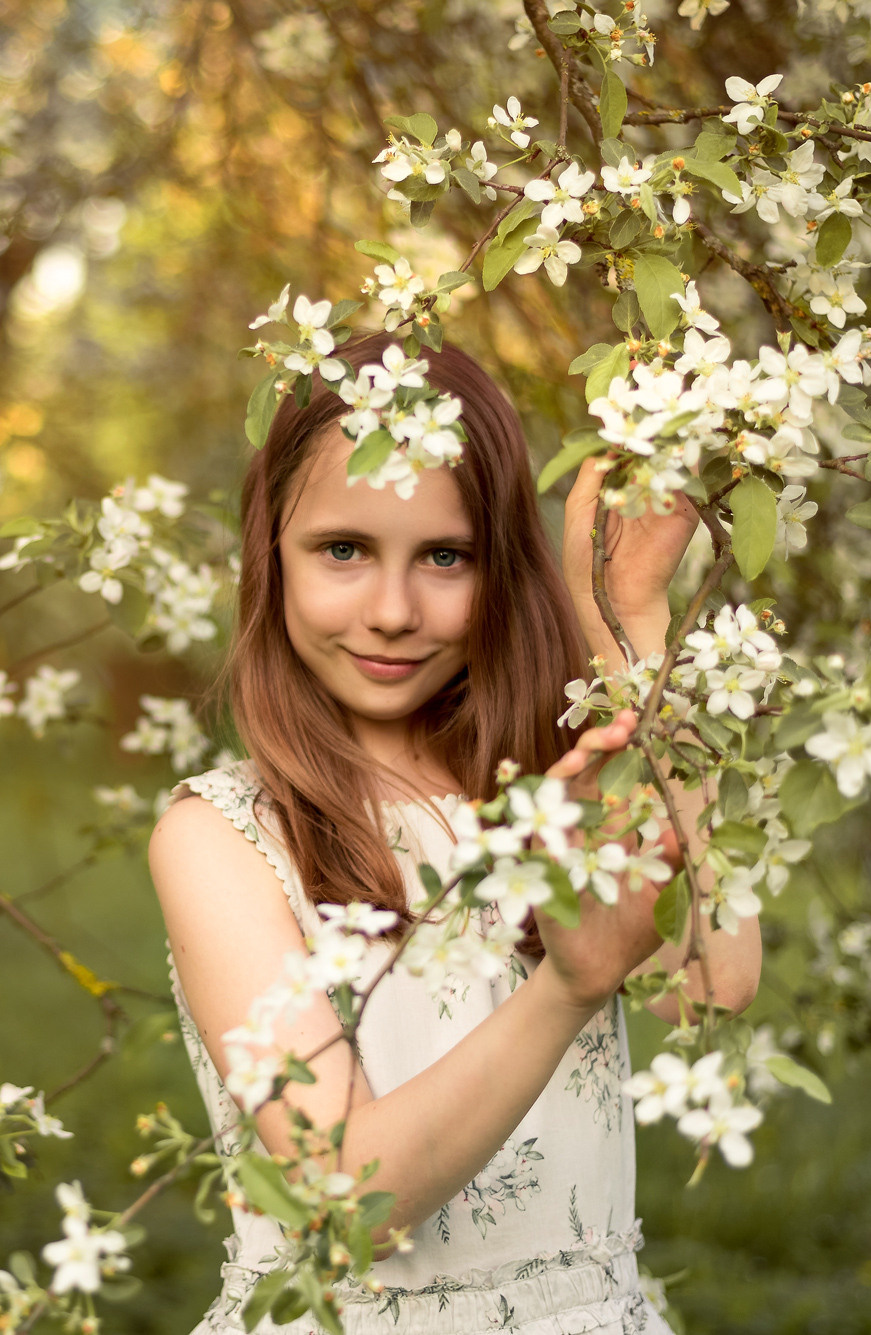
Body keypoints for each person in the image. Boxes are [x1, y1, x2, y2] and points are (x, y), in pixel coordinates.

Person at [148, 332, 761, 1334]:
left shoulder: (544, 789)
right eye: (341, 550)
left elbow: (713, 983)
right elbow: (344, 1206)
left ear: (500, 567)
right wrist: (568, 984)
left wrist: (628, 623)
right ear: (269, 556)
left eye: (443, 556)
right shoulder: (221, 836)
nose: (390, 611)